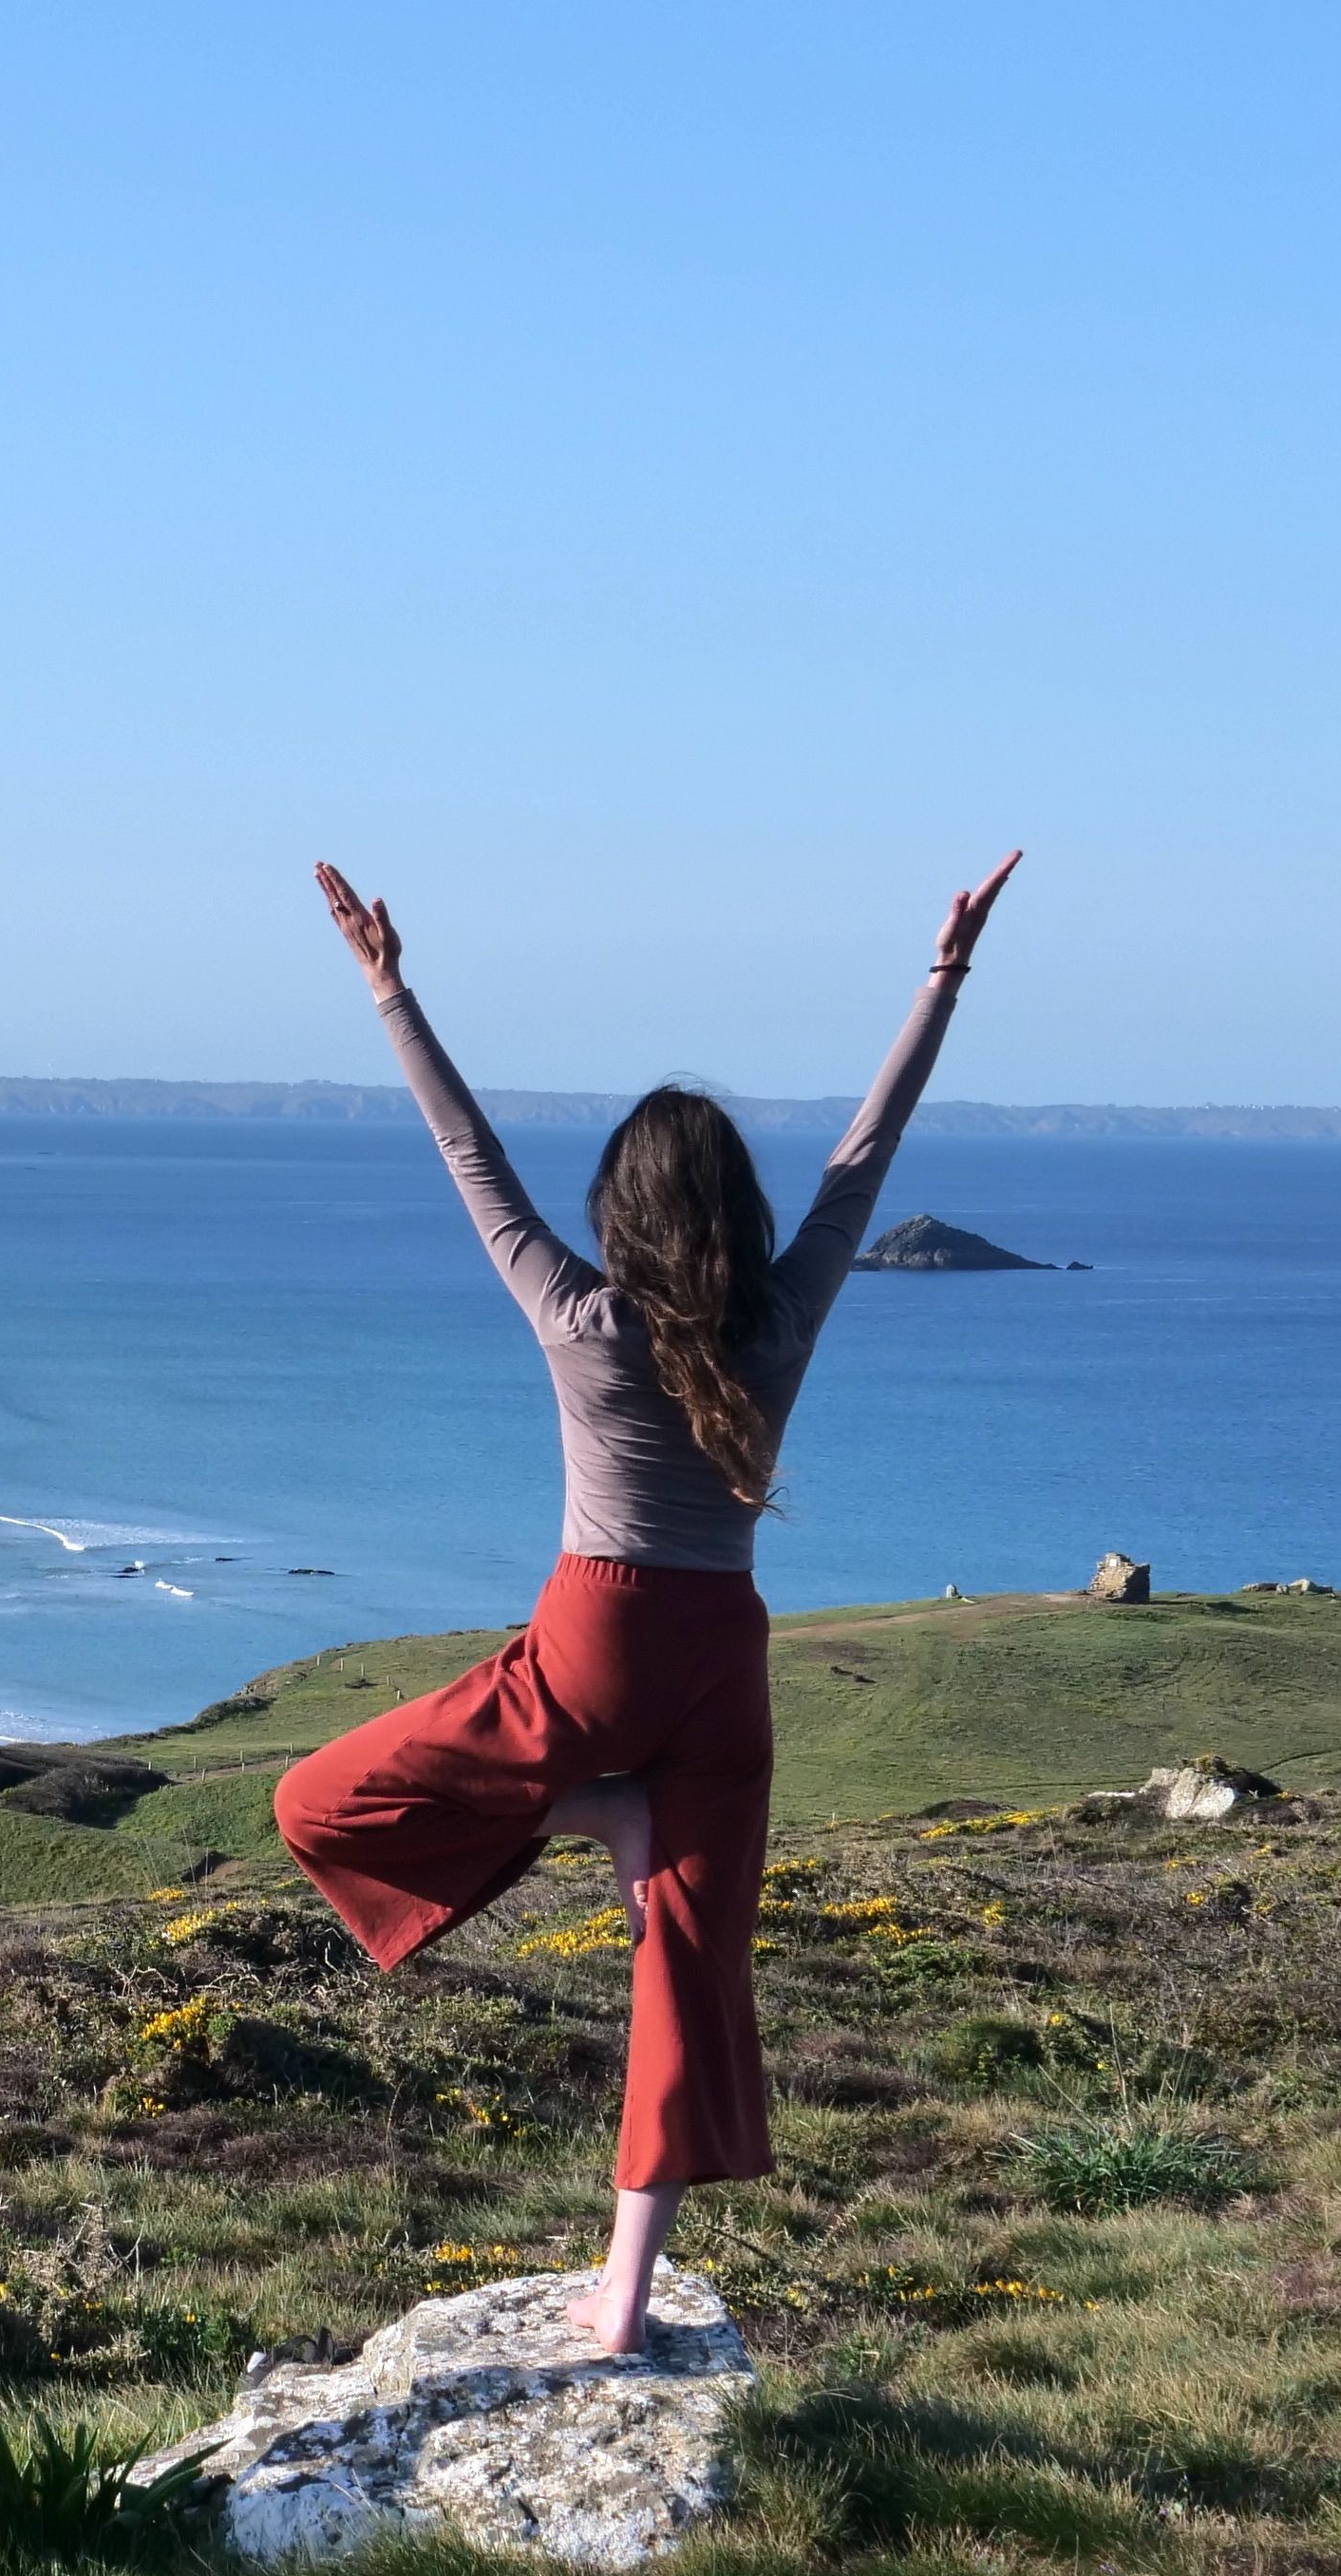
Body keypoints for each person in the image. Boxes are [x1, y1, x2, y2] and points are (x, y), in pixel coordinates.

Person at [278, 850, 1023, 2353]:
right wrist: (941, 978)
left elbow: (467, 1153)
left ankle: (591, 1816)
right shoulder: (786, 1308)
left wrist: (388, 988)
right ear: (736, 1214)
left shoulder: (574, 1315)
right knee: (684, 1974)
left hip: (592, 1647)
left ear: (618, 1212)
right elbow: (865, 1161)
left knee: (315, 1799)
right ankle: (622, 2294)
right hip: (721, 1661)